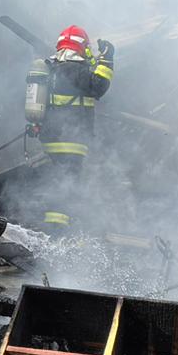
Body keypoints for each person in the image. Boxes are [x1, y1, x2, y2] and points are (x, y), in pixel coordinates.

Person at [30, 24, 114, 233]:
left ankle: (54, 226)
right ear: (82, 47)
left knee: (59, 179)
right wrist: (107, 58)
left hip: (50, 136)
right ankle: (59, 232)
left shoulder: (51, 68)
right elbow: (99, 86)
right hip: (72, 139)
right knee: (68, 183)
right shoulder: (75, 70)